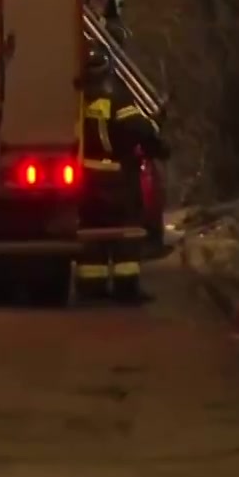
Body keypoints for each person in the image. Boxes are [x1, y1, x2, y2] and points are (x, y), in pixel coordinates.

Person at [80, 41, 166, 301]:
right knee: (127, 229)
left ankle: (91, 288)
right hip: (118, 176)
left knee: (91, 230)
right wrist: (158, 144)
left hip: (86, 177)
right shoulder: (116, 96)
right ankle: (126, 288)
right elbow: (138, 128)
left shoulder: (76, 96)